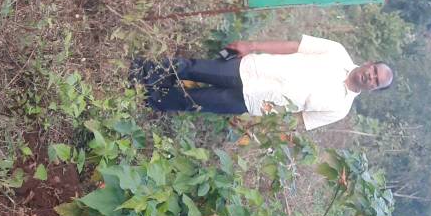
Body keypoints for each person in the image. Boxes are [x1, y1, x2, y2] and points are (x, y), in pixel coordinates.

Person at [130, 35, 394, 131]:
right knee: (193, 68)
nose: (370, 77)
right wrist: (252, 45)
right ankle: (140, 71)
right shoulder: (336, 51)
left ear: (374, 90)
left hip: (252, 102)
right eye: (374, 71)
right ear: (370, 63)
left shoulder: (340, 109)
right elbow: (293, 46)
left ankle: (142, 97)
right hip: (251, 69)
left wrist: (257, 126)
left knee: (193, 102)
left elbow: (297, 121)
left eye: (376, 81)